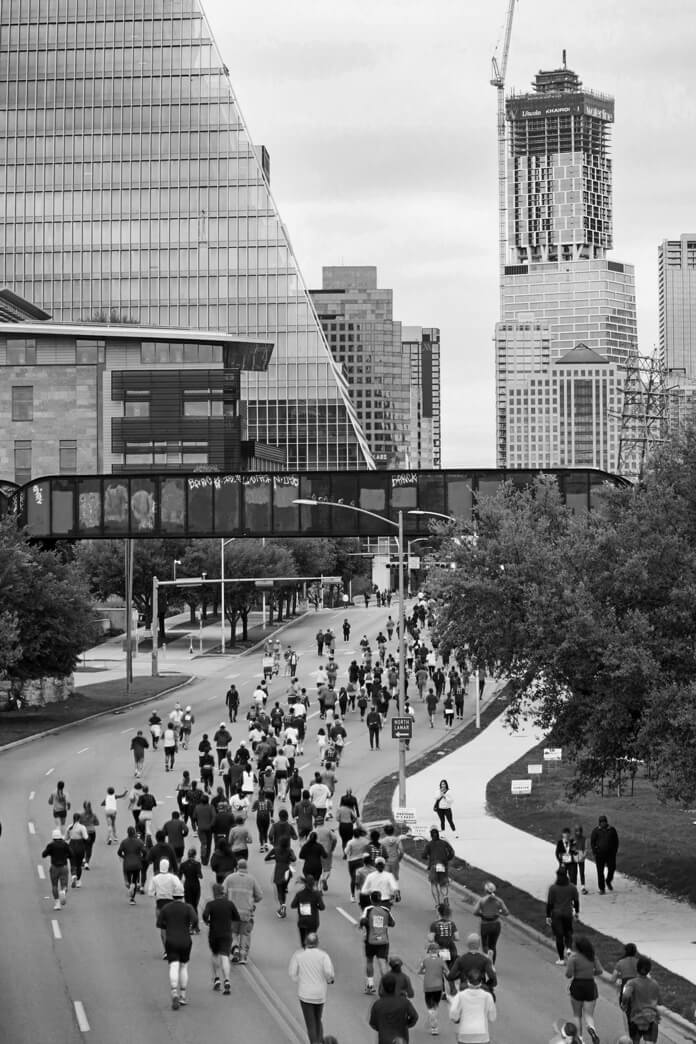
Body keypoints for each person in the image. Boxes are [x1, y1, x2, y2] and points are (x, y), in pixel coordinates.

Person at [288, 931, 335, 1044]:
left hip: (305, 994)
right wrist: (330, 980)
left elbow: (292, 973)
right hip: (319, 994)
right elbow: (329, 972)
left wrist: (300, 980)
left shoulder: (298, 955)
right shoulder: (324, 955)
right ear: (318, 943)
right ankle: (320, 1041)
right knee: (318, 1019)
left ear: (305, 942)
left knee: (310, 1023)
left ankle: (314, 1042)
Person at [157, 885, 199, 1010]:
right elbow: (195, 920)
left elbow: (160, 924)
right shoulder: (188, 907)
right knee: (184, 966)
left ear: (172, 895)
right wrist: (191, 927)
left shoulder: (166, 908)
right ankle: (183, 995)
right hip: (185, 940)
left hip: (171, 940)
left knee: (173, 965)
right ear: (182, 895)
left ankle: (174, 991)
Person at [222, 857, 263, 964]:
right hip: (246, 912)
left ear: (237, 867)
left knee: (233, 932)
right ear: (246, 868)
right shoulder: (252, 879)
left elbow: (223, 893)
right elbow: (260, 896)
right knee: (245, 934)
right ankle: (243, 956)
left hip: (232, 913)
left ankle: (234, 948)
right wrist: (252, 901)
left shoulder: (229, 878)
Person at [202, 882, 240, 995]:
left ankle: (216, 978)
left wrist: (207, 922)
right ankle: (227, 980)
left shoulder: (210, 904)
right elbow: (236, 917)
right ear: (223, 892)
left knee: (215, 954)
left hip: (214, 934)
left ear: (214, 893)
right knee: (225, 957)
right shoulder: (229, 904)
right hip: (226, 934)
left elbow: (204, 915)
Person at [566, 936, 603, 1044]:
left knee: (577, 1015)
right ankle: (591, 1028)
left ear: (576, 947)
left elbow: (568, 975)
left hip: (577, 985)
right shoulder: (592, 957)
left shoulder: (573, 958)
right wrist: (591, 973)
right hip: (590, 986)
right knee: (589, 1015)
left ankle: (580, 1039)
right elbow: (600, 971)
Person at [360, 890, 396, 994]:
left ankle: (370, 985)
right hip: (383, 941)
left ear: (371, 899)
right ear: (380, 899)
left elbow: (362, 921)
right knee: (382, 963)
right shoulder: (386, 910)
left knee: (369, 961)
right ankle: (386, 988)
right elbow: (392, 923)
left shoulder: (368, 909)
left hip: (370, 940)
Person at [449, 968, 497, 1043]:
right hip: (482, 1033)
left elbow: (453, 1013)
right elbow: (492, 1017)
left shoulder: (460, 995)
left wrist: (456, 1019)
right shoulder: (487, 996)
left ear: (468, 981)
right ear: (481, 982)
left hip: (465, 1033)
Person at [368, 972, 418, 1043]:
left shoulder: (377, 1004)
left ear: (383, 987)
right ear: (395, 986)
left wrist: (382, 1028)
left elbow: (372, 1023)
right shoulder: (404, 1002)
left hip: (384, 1039)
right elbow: (415, 1016)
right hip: (401, 1039)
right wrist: (406, 1024)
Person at [621, 955, 661, 1044]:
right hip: (652, 1018)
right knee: (650, 1041)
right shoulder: (655, 984)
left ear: (637, 968)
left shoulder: (632, 983)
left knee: (634, 1041)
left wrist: (624, 1004)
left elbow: (626, 995)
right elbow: (660, 1001)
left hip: (637, 1018)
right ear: (649, 970)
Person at [546, 866, 580, 964]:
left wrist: (548, 916)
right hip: (568, 913)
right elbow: (576, 901)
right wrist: (576, 912)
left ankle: (561, 958)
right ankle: (569, 948)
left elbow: (550, 904)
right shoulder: (572, 887)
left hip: (556, 914)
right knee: (568, 932)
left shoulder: (553, 888)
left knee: (559, 936)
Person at [472, 882, 509, 963]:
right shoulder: (499, 900)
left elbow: (475, 912)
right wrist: (498, 913)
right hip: (496, 924)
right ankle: (492, 964)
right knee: (493, 945)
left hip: (485, 924)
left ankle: (487, 959)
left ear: (485, 890)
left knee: (485, 945)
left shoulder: (482, 900)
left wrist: (481, 915)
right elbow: (506, 913)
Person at [418, 941, 449, 1035]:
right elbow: (447, 971)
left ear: (429, 951)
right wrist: (441, 973)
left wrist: (425, 972)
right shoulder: (441, 961)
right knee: (435, 1004)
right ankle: (434, 1024)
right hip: (438, 986)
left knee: (429, 1005)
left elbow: (420, 971)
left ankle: (433, 1023)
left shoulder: (425, 961)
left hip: (428, 986)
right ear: (438, 951)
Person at [266, 834, 297, 918]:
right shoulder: (290, 850)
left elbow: (266, 858)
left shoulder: (275, 849)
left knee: (279, 890)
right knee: (283, 889)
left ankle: (282, 905)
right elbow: (294, 859)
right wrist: (288, 859)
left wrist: (275, 858)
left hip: (279, 870)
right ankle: (285, 891)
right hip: (287, 870)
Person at [422, 828, 455, 906]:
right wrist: (447, 858)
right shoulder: (444, 843)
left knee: (434, 884)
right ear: (438, 835)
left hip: (433, 866)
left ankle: (437, 903)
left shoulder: (429, 844)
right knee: (443, 884)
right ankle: (445, 897)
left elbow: (423, 855)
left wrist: (428, 858)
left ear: (431, 835)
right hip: (443, 865)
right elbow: (452, 852)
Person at [291, 874, 325, 946]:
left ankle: (304, 951)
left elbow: (292, 905)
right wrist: (316, 906)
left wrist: (300, 904)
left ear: (305, 884)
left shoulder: (299, 894)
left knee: (303, 941)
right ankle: (311, 952)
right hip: (313, 922)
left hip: (302, 922)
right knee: (311, 940)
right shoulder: (317, 894)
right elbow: (322, 907)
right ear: (313, 884)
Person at [42, 827, 71, 910]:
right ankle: (63, 891)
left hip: (54, 867)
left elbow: (44, 854)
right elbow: (71, 854)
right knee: (64, 884)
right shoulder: (65, 844)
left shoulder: (51, 845)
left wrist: (50, 853)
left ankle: (57, 903)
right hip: (64, 867)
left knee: (54, 885)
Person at [117, 826, 147, 904]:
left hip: (127, 863)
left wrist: (124, 856)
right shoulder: (139, 842)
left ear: (127, 833)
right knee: (135, 878)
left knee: (129, 878)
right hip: (137, 863)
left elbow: (119, 852)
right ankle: (132, 898)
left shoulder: (124, 842)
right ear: (134, 833)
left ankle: (130, 885)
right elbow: (145, 851)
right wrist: (141, 857)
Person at [590, 815, 620, 894]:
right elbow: (592, 842)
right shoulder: (596, 831)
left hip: (610, 854)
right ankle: (602, 888)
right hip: (599, 854)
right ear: (599, 823)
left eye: (604, 822)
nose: (603, 823)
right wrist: (594, 851)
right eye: (601, 822)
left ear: (606, 822)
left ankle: (608, 880)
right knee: (600, 872)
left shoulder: (612, 830)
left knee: (612, 868)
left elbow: (616, 841)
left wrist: (615, 851)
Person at [611, 942, 639, 1010]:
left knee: (624, 1009)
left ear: (625, 951)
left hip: (625, 988)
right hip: (638, 988)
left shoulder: (620, 962)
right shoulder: (639, 962)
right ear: (635, 952)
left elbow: (613, 979)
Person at [66, 811, 89, 888]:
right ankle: (78, 881)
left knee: (72, 863)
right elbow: (86, 837)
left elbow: (66, 838)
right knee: (79, 864)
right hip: (80, 846)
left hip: (72, 845)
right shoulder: (82, 827)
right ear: (79, 819)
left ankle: (73, 875)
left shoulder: (69, 827)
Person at [178, 847, 203, 916]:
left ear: (188, 855)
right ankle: (195, 920)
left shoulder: (183, 864)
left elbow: (179, 877)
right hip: (195, 885)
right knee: (195, 904)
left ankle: (188, 919)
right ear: (195, 855)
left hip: (187, 885)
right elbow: (200, 876)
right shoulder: (197, 864)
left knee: (188, 903)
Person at [78, 801, 99, 870]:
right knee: (89, 847)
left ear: (84, 807)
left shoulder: (81, 815)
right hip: (92, 832)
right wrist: (91, 823)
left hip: (84, 832)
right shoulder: (93, 815)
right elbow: (97, 823)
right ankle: (86, 863)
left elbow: (79, 823)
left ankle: (83, 860)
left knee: (83, 847)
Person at [573, 824, 588, 894]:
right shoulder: (573, 839)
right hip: (575, 857)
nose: (578, 833)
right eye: (577, 831)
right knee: (574, 873)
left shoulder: (584, 839)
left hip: (581, 857)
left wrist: (584, 855)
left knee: (582, 872)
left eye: (579, 831)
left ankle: (583, 887)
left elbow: (585, 848)